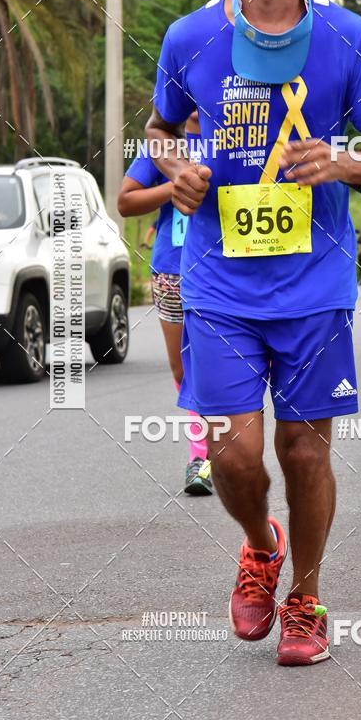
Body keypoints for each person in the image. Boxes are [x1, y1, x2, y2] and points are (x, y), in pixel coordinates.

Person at [146, 0, 361, 666]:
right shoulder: (190, 38)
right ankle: (261, 545)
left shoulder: (347, 37)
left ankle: (306, 598)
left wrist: (345, 163)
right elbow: (159, 131)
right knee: (233, 456)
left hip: (315, 284)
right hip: (219, 285)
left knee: (303, 450)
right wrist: (176, 169)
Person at [117, 114, 213, 495]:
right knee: (182, 367)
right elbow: (125, 201)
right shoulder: (163, 145)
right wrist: (174, 186)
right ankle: (206, 452)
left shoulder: (232, 133)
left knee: (224, 364)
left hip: (224, 271)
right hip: (172, 271)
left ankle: (206, 456)